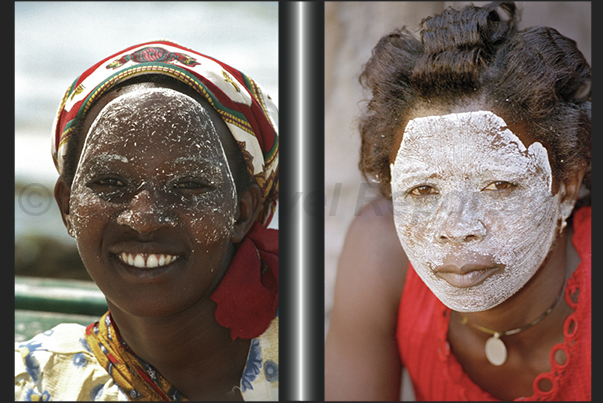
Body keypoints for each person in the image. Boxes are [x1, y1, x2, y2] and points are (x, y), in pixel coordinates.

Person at [325, 2, 590, 401]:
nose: (456, 228)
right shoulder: (380, 253)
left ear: (566, 186)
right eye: (423, 190)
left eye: (500, 186)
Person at [15, 40, 279, 401]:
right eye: (110, 183)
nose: (144, 219)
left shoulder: (334, 357)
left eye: (189, 184)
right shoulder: (34, 383)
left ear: (242, 212)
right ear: (67, 206)